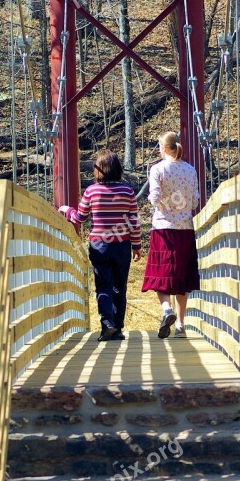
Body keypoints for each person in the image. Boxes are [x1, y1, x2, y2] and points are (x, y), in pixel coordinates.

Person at [59, 150, 143, 341]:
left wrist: (67, 210)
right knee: (119, 288)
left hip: (99, 246)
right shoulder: (127, 191)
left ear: (98, 170)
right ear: (118, 169)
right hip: (122, 246)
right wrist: (137, 245)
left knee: (103, 285)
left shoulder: (92, 191)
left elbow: (80, 217)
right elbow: (134, 222)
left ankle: (107, 325)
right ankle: (118, 327)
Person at [141, 132, 200, 339]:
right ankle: (181, 326)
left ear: (165, 148)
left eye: (159, 146)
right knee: (182, 278)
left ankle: (167, 310)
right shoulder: (190, 170)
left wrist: (158, 203)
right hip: (185, 229)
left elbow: (155, 197)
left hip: (163, 229)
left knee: (162, 274)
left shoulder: (157, 169)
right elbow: (194, 202)